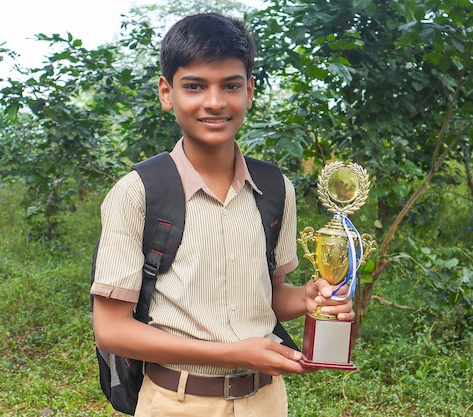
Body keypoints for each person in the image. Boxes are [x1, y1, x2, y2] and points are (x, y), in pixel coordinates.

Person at [90, 12, 355, 416]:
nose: (214, 102)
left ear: (249, 91)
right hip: (173, 402)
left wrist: (307, 297)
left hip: (266, 401)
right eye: (194, 86)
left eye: (230, 85)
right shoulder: (139, 192)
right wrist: (232, 353)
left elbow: (270, 295)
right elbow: (111, 330)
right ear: (167, 92)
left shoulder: (275, 189)